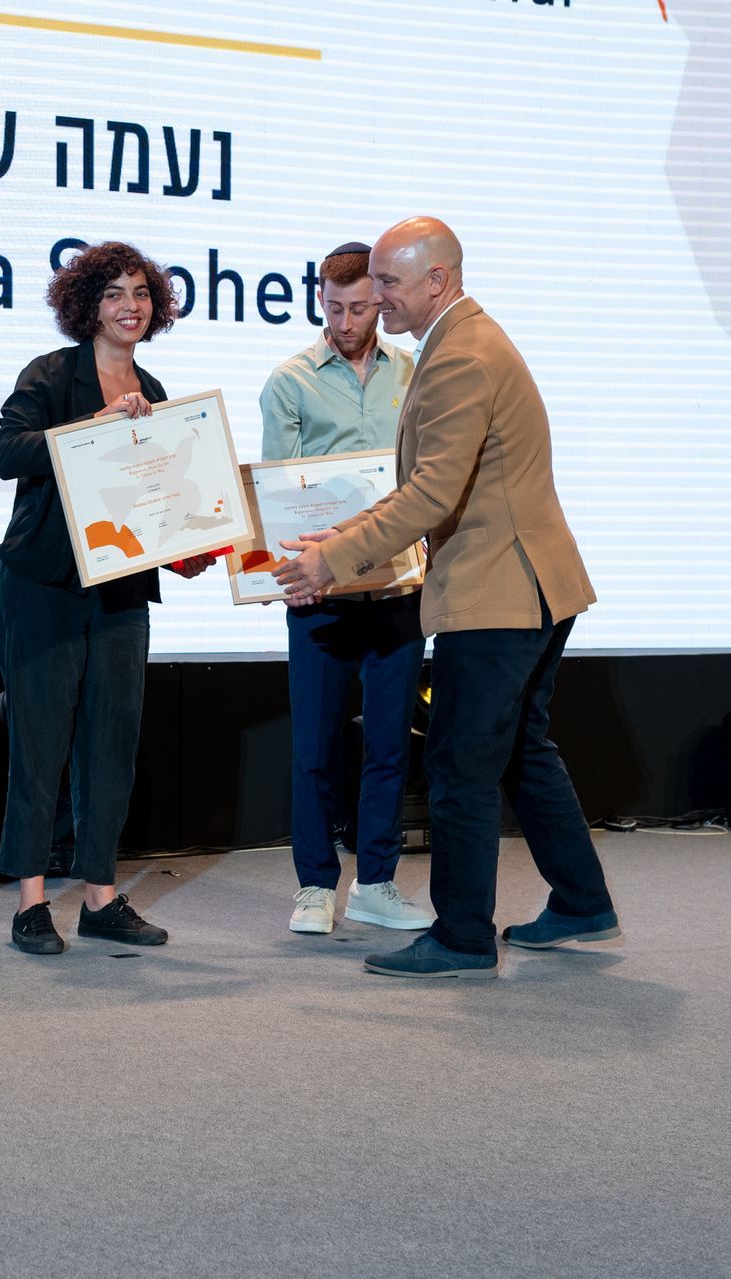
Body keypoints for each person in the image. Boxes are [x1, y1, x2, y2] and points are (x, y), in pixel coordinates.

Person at [275, 216, 619, 979]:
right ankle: (582, 899)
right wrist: (342, 537)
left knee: (461, 763)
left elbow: (432, 492)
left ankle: (462, 934)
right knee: (521, 750)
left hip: (498, 591)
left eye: (388, 282)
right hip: (529, 584)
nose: (377, 296)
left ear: (438, 279)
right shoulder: (462, 340)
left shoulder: (460, 353)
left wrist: (334, 558)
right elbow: (423, 486)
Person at [0, 241, 214, 955]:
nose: (130, 305)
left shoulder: (154, 388)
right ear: (87, 304)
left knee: (111, 744)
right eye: (115, 292)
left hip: (121, 592)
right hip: (43, 587)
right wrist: (88, 429)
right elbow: (7, 453)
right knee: (39, 744)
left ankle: (100, 897)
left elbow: (156, 499)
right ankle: (30, 904)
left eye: (142, 292)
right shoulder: (51, 374)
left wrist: (188, 545)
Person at [259, 242, 431, 936]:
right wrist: (286, 576)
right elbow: (278, 490)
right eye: (333, 308)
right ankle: (313, 885)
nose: (345, 322)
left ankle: (377, 882)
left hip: (397, 587)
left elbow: (425, 477)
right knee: (315, 747)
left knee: (389, 744)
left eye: (359, 308)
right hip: (321, 592)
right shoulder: (290, 382)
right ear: (319, 301)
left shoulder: (413, 373)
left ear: (380, 301)